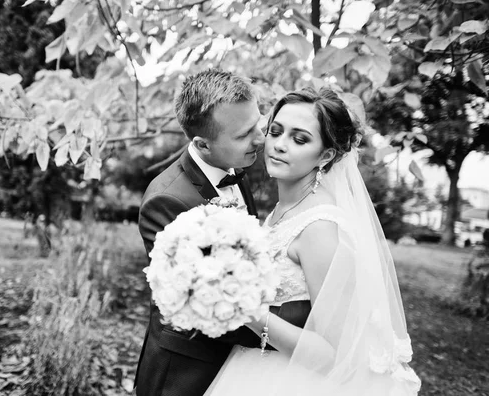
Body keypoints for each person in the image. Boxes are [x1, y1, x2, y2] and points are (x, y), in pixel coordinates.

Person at [206, 88, 422, 395]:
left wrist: (250, 313)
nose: (279, 145)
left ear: (325, 155)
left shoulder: (319, 227)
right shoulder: (284, 210)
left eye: (299, 138)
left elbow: (333, 355)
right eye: (276, 132)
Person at [134, 69, 313, 396]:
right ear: (202, 144)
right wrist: (303, 337)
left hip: (239, 366)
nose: (261, 138)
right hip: (187, 372)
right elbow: (203, 307)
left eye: (259, 123)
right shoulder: (167, 201)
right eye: (246, 134)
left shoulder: (233, 165)